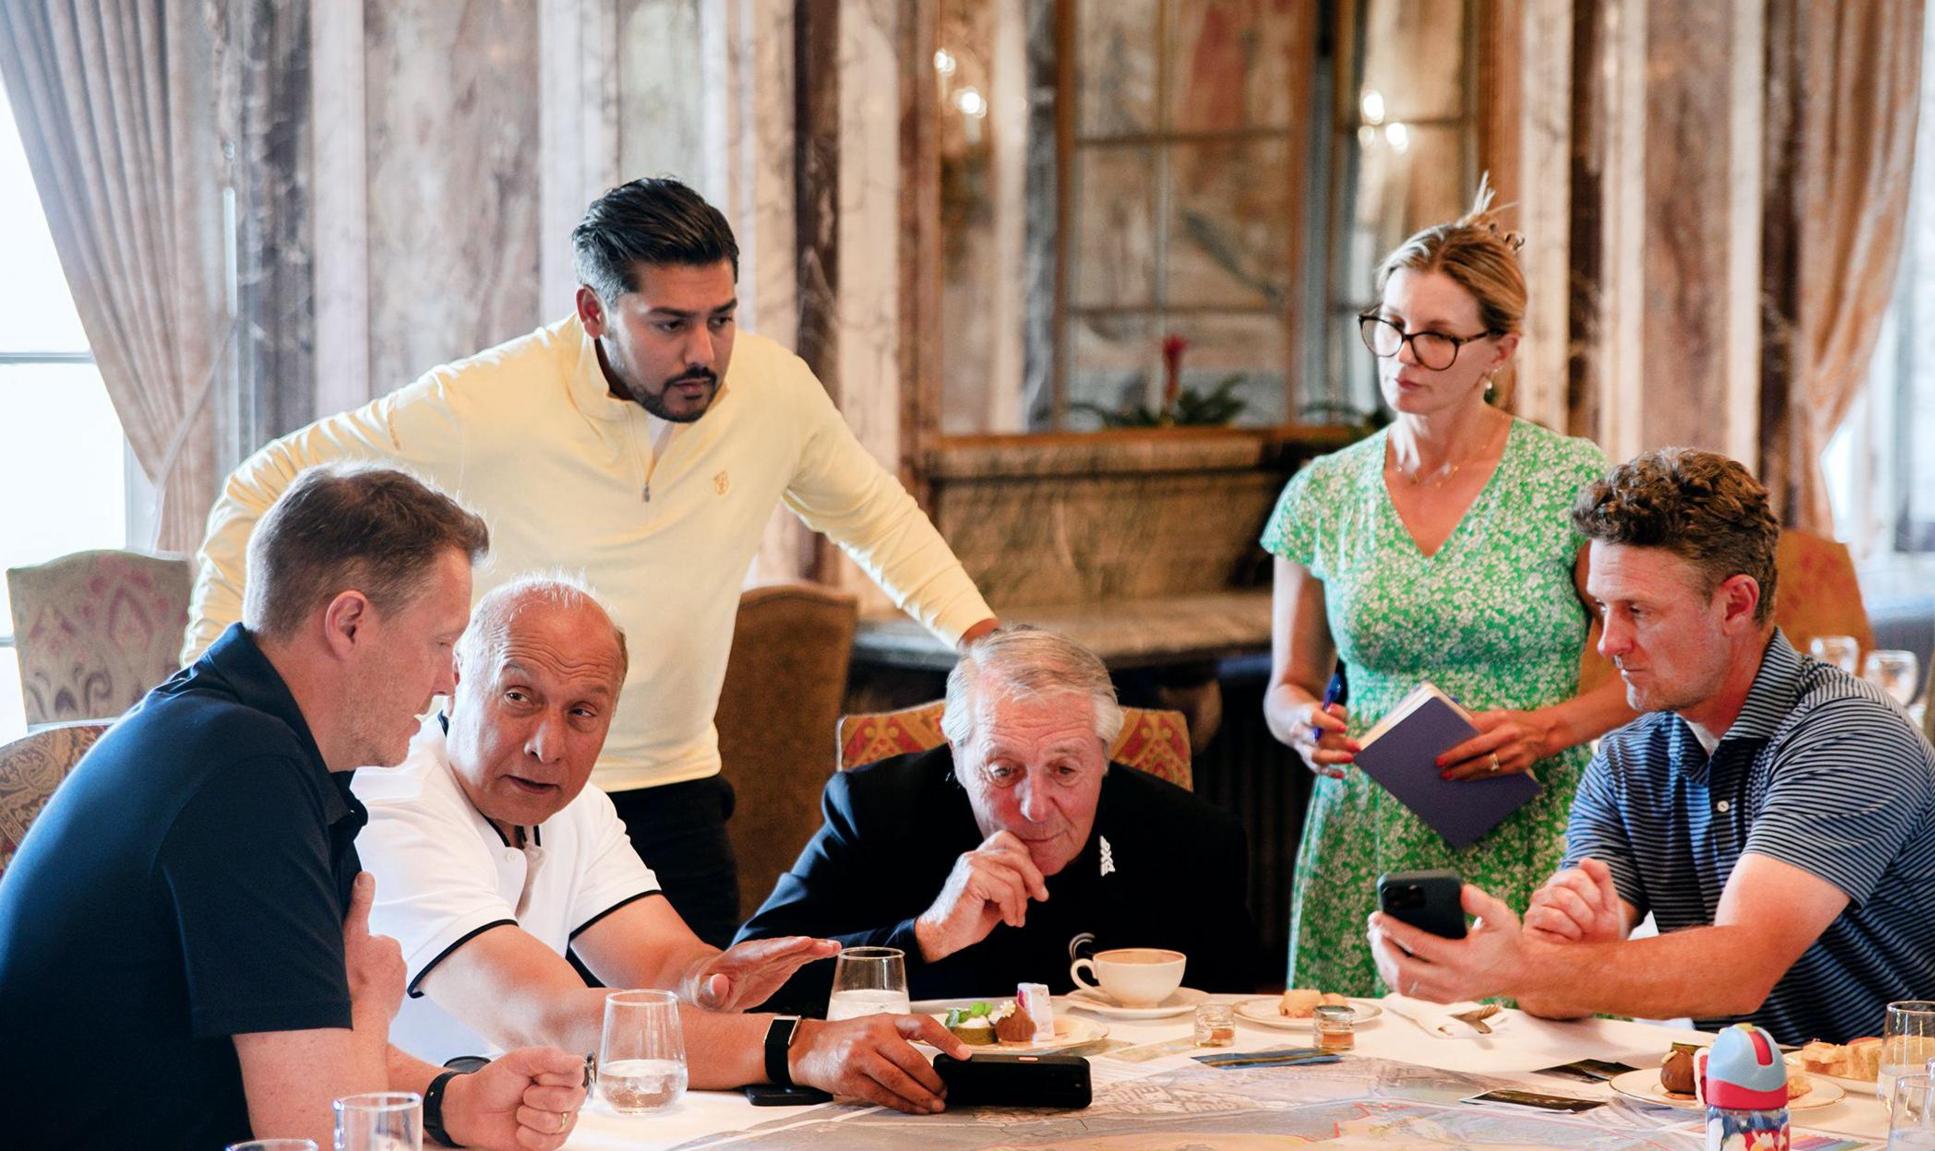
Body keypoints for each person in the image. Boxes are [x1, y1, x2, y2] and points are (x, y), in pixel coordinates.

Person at [182, 178, 999, 946]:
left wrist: (985, 642)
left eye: (722, 318)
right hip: (497, 792)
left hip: (676, 793)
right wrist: (222, 697)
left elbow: (876, 515)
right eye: (669, 324)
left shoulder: (775, 394)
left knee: (696, 1051)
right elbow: (262, 485)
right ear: (592, 310)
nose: (705, 352)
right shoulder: (487, 404)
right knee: (527, 1051)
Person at [1367, 448, 1935, 1092]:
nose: (1609, 642)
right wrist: (1576, 944)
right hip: (1777, 1111)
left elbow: (1738, 968)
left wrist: (1522, 962)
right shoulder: (1628, 761)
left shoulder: (1848, 732)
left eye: (1639, 610)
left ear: (1735, 603)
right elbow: (1547, 986)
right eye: (1603, 608)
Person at [0, 466, 588, 1150]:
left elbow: (299, 1040)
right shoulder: (241, 775)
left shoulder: (238, 737)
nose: (449, 680)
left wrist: (452, 1100)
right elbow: (324, 1134)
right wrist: (370, 1000)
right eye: (439, 643)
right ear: (349, 622)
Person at [354, 575, 975, 1115]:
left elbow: (661, 965)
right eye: (519, 697)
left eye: (581, 713)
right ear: (457, 680)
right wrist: (804, 1046)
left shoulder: (576, 806)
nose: (548, 746)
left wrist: (711, 978)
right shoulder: (396, 802)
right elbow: (549, 1016)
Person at [1260, 185, 1635, 995]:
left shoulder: (1568, 479)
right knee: (1363, 1106)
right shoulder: (1323, 492)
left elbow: (1641, 676)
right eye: (1391, 326)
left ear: (1500, 350)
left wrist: (1541, 730)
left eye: (1436, 337)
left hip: (1533, 829)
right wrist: (1300, 723)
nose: (1403, 355)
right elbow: (1284, 684)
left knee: (1535, 1099)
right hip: (1367, 836)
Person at [737, 627, 1257, 1011]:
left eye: (1065, 769)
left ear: (1104, 757)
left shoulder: (1194, 841)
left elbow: (1236, 1026)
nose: (1035, 805)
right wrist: (924, 935)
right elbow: (742, 983)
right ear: (957, 755)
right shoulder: (876, 811)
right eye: (1003, 770)